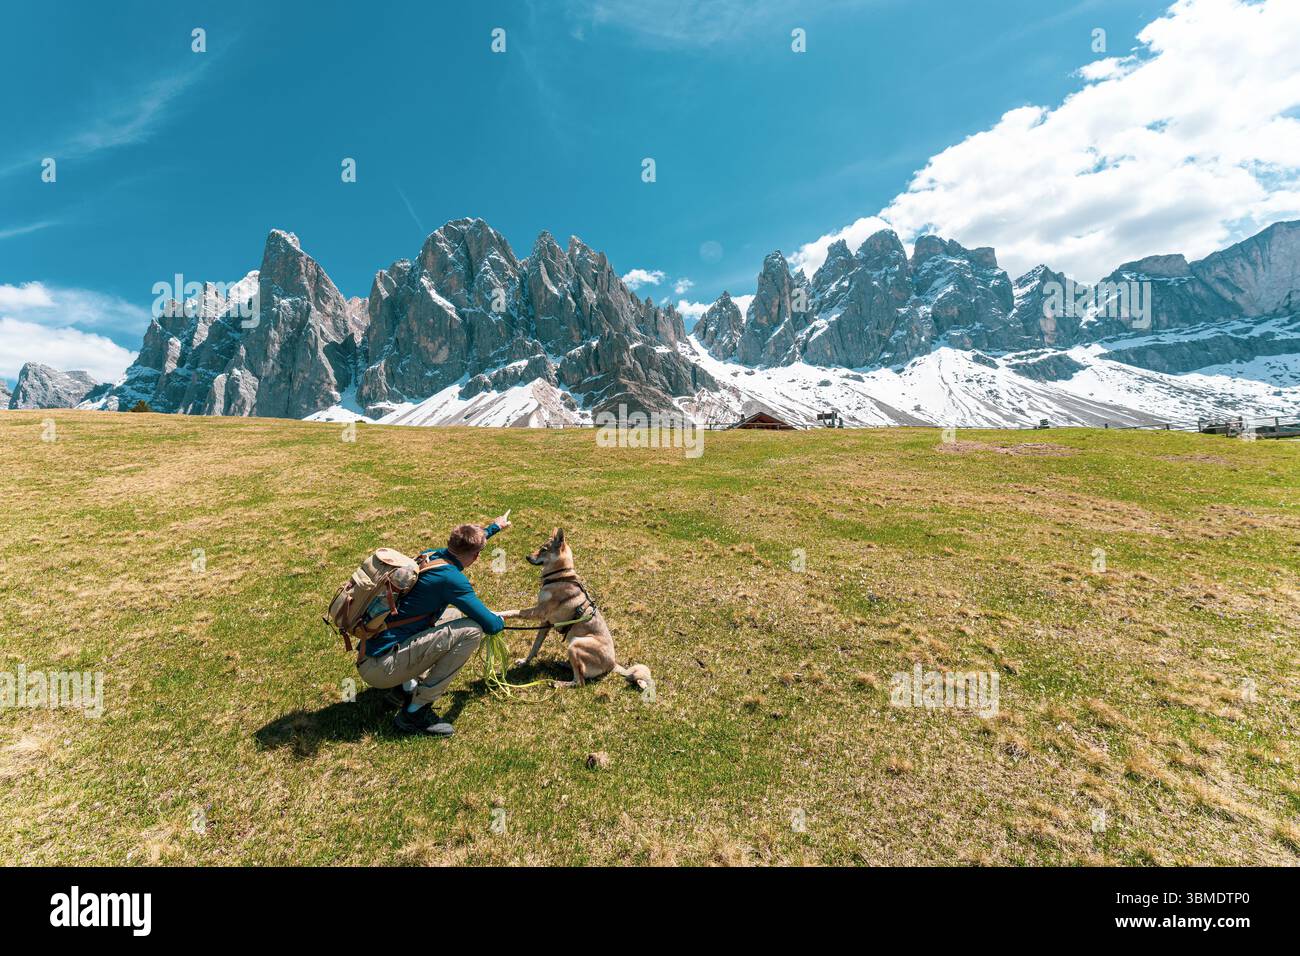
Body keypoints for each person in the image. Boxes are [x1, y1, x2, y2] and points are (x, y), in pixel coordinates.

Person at [357, 513, 515, 736]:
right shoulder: (452, 580)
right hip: (382, 668)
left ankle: (404, 687)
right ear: (477, 556)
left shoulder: (431, 556)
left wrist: (493, 528)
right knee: (472, 630)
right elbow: (492, 626)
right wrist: (496, 620)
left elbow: (468, 545)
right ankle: (415, 712)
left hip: (370, 653)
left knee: (451, 614)